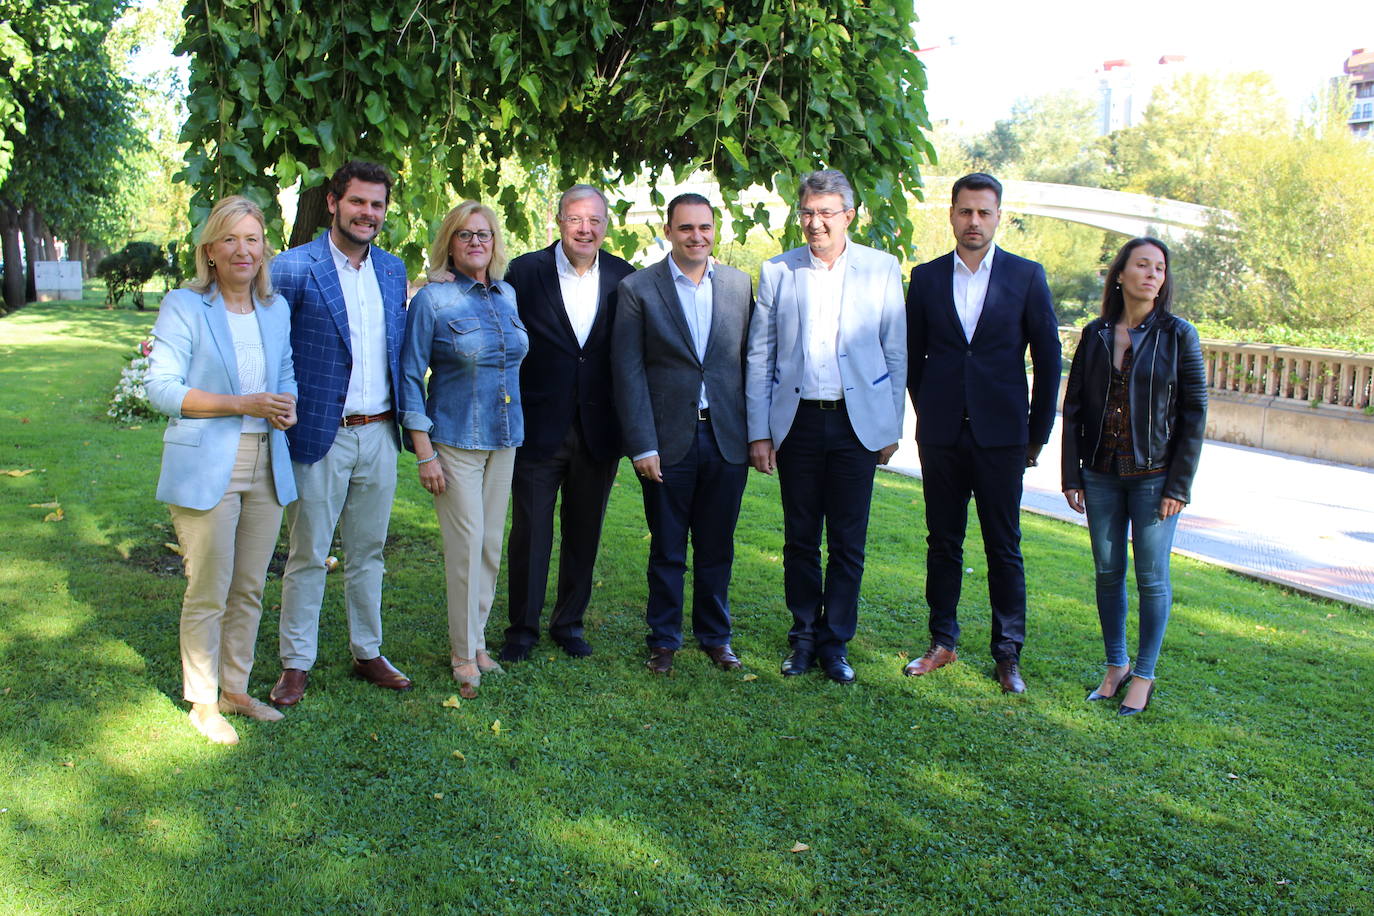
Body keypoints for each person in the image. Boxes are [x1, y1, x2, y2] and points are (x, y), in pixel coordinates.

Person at [145, 195, 298, 744]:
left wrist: (288, 405)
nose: (242, 249)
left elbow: (284, 375)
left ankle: (236, 688)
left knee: (250, 586)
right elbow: (160, 388)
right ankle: (203, 701)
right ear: (209, 250)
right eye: (230, 239)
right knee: (209, 586)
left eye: (252, 238)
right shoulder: (184, 306)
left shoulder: (275, 309)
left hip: (267, 462)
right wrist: (244, 405)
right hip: (208, 462)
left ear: (264, 249)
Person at [745, 169, 906, 684]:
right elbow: (759, 355)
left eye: (827, 213)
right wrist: (758, 431)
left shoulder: (881, 269)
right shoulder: (777, 272)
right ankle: (803, 637)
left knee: (848, 542)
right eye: (808, 212)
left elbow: (895, 351)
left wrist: (889, 426)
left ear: (849, 216)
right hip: (796, 425)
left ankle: (835, 643)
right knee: (799, 539)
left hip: (856, 426)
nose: (816, 223)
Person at [903, 172, 1061, 694]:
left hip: (1003, 436)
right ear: (951, 214)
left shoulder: (1026, 276)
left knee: (1004, 545)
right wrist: (930, 412)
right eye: (965, 211)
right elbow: (912, 357)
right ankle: (942, 641)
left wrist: (1035, 436)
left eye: (984, 212)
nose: (974, 221)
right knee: (942, 542)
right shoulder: (925, 279)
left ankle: (1007, 653)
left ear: (998, 216)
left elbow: (1049, 359)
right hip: (942, 434)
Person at [268, 161, 413, 706]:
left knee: (368, 551)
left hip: (379, 434)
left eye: (377, 205)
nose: (368, 213)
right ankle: (296, 663)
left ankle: (367, 651)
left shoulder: (394, 270)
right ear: (333, 203)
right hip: (318, 434)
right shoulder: (293, 268)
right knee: (307, 553)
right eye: (358, 202)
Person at [1061, 237, 1206, 717]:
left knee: (1151, 576)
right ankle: (1115, 666)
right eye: (1142, 265)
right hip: (1100, 474)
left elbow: (1194, 415)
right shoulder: (1096, 333)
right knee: (1107, 573)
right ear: (1120, 274)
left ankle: (1143, 674)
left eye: (1159, 268)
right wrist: (1071, 475)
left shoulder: (1180, 335)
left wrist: (1178, 487)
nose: (1151, 275)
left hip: (1155, 476)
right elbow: (1075, 407)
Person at [611, 193, 754, 675]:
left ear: (716, 231)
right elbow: (627, 372)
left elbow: (749, 364)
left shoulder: (738, 285)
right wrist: (641, 444)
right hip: (666, 441)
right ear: (669, 231)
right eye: (686, 228)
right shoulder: (638, 289)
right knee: (668, 548)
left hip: (726, 438)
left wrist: (758, 435)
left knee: (717, 545)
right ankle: (664, 640)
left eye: (705, 227)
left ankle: (716, 637)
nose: (697, 236)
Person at [499, 186, 635, 661]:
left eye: (595, 220)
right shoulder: (524, 271)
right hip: (538, 426)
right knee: (530, 532)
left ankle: (569, 623)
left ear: (605, 226)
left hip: (600, 430)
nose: (585, 229)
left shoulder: (624, 277)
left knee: (584, 531)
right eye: (576, 219)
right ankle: (522, 628)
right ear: (558, 221)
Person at [400, 202, 528, 698]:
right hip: (453, 441)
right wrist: (424, 450)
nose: (477, 243)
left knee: (490, 547)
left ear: (495, 243)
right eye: (465, 235)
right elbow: (410, 377)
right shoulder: (433, 301)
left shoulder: (508, 295)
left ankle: (477, 643)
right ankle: (461, 652)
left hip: (505, 438)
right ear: (450, 244)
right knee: (465, 548)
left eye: (485, 235)